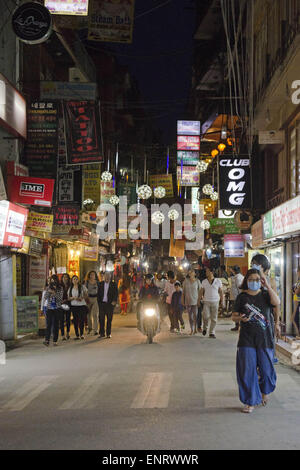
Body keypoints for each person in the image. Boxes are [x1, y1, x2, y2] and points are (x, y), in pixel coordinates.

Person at [232, 268, 280, 413]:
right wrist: (240, 318)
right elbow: (234, 316)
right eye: (251, 279)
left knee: (266, 370)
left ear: (261, 281)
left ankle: (264, 392)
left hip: (265, 339)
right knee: (247, 371)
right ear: (246, 281)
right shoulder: (242, 297)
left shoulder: (266, 295)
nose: (254, 282)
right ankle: (250, 401)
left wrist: (268, 287)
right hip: (246, 340)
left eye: (257, 279)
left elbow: (277, 302)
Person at [251, 253, 281, 364]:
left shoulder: (271, 281)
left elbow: (276, 304)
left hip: (267, 320)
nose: (253, 266)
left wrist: (277, 322)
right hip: (253, 320)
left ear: (263, 266)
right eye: (252, 264)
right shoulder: (250, 280)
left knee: (268, 349)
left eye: (256, 264)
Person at [201, 268, 223, 338]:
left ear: (211, 272)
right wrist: (198, 300)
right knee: (205, 316)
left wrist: (222, 301)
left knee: (214, 318)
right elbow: (201, 291)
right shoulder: (204, 281)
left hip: (215, 301)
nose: (206, 273)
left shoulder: (218, 281)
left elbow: (221, 292)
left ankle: (212, 332)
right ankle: (205, 328)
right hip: (206, 301)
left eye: (207, 271)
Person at [43, 275, 64, 346]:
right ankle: (47, 340)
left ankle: (55, 341)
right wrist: (49, 292)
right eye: (52, 280)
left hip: (57, 308)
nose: (53, 281)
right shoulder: (48, 287)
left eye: (54, 280)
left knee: (56, 325)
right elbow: (45, 297)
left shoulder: (60, 288)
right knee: (48, 324)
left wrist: (54, 293)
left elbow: (60, 299)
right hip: (49, 308)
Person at [97, 272, 118, 339]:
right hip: (102, 304)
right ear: (103, 277)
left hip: (110, 304)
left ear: (110, 277)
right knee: (101, 319)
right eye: (106, 276)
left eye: (108, 276)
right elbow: (98, 294)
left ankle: (108, 333)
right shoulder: (100, 284)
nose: (107, 277)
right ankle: (102, 333)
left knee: (109, 319)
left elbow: (116, 293)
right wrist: (99, 303)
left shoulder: (113, 284)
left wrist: (114, 301)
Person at [68, 276, 89, 340]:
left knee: (81, 320)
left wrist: (82, 298)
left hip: (81, 305)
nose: (75, 280)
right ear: (72, 281)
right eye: (74, 279)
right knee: (75, 320)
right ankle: (77, 334)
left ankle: (81, 334)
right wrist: (73, 298)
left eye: (76, 279)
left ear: (78, 280)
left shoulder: (82, 287)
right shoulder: (70, 288)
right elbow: (68, 298)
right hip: (74, 306)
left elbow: (86, 294)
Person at [182, 269, 202, 335]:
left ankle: (195, 329)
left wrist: (200, 300)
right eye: (190, 272)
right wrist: (182, 300)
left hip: (195, 301)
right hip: (188, 301)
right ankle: (191, 329)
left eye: (192, 272)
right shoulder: (185, 281)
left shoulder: (197, 281)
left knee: (195, 316)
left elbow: (200, 291)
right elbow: (183, 292)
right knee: (190, 316)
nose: (190, 273)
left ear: (195, 274)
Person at [229, 266, 244, 332]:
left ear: (234, 270)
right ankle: (237, 325)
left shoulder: (238, 277)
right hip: (235, 297)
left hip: (237, 297)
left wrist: (240, 298)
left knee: (237, 312)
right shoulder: (236, 277)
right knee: (236, 312)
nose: (231, 271)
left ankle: (238, 326)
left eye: (232, 270)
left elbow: (239, 288)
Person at [85, 271, 100, 335]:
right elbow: (84, 291)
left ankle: (96, 330)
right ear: (89, 276)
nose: (92, 276)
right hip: (88, 298)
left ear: (95, 276)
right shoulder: (86, 282)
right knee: (88, 314)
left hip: (96, 298)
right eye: (91, 275)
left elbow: (100, 291)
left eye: (93, 275)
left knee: (95, 314)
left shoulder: (97, 283)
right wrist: (86, 298)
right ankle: (90, 328)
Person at [60, 273, 71, 340]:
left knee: (68, 319)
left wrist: (66, 300)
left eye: (66, 277)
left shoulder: (70, 286)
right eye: (64, 277)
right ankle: (63, 334)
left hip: (68, 303)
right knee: (61, 319)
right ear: (62, 278)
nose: (65, 278)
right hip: (61, 304)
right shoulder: (60, 286)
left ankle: (67, 333)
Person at [291, 267, 300, 337]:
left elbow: (296, 292)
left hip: (298, 303)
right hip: (296, 302)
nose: (297, 273)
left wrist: (294, 291)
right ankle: (298, 334)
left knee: (295, 318)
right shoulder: (298, 282)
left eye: (298, 271)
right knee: (294, 318)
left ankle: (299, 335)